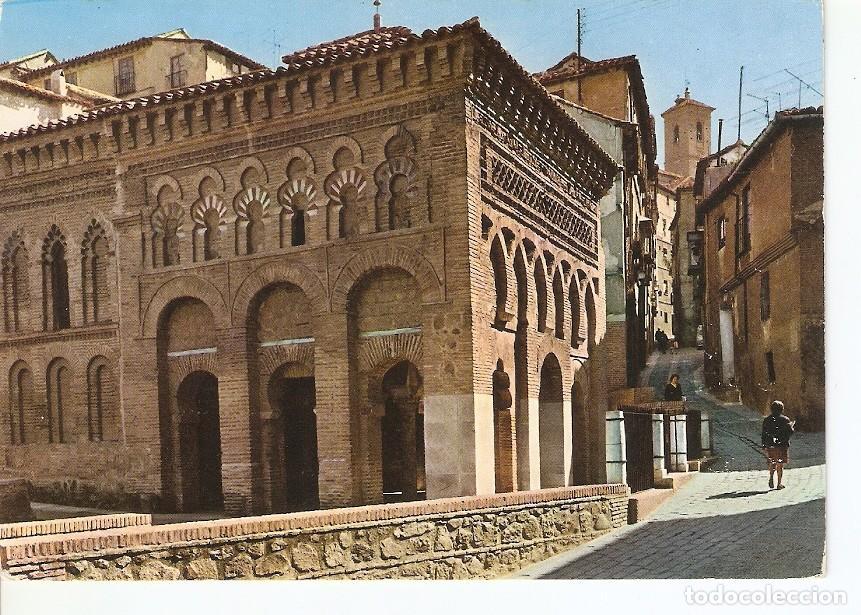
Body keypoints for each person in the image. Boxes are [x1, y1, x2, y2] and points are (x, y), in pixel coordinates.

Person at [761, 400, 796, 489]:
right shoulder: (785, 419)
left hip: (770, 444)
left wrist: (764, 445)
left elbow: (764, 433)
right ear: (782, 409)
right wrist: (791, 426)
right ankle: (779, 483)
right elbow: (789, 432)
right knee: (780, 464)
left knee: (773, 462)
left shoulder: (767, 420)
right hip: (782, 445)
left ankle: (771, 477)